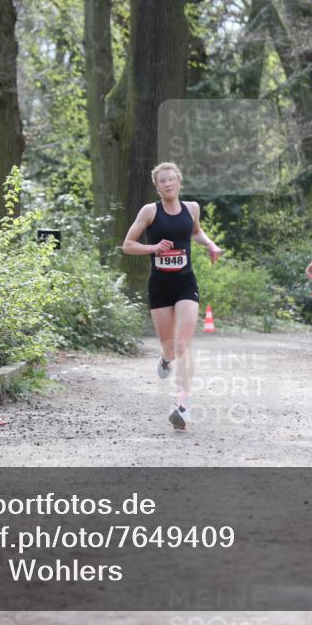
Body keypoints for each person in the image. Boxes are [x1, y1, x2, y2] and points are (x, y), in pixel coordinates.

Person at [121, 162, 223, 430]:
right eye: (162, 181)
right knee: (169, 349)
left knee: (183, 345)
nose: (167, 184)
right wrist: (154, 247)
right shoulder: (150, 211)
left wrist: (211, 245)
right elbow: (128, 245)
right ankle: (165, 359)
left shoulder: (192, 209)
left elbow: (196, 232)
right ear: (157, 186)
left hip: (185, 284)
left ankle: (183, 406)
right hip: (159, 287)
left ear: (179, 181)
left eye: (171, 179)